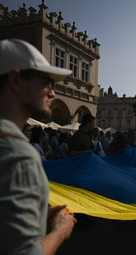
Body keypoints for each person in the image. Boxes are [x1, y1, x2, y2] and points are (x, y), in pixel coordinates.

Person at [0, 39, 75, 254]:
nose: (52, 93)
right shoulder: (18, 154)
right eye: (47, 82)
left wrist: (36, 217)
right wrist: (59, 232)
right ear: (15, 80)